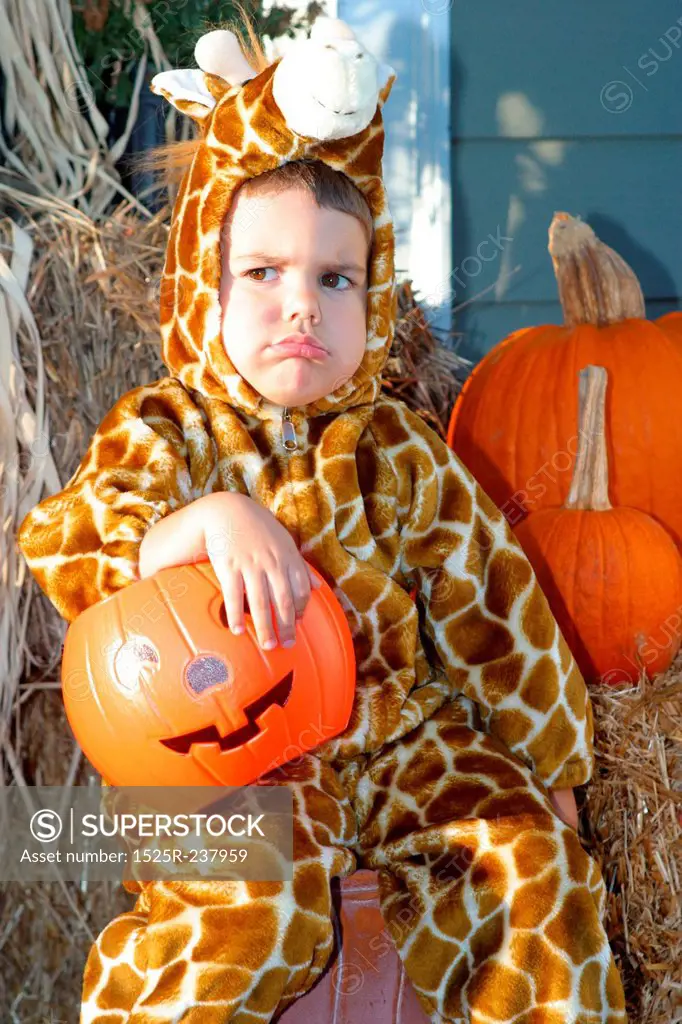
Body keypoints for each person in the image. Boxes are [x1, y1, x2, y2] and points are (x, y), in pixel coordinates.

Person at [17, 16, 626, 1024]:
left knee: (529, 872)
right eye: (262, 274)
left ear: (374, 296)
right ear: (198, 291)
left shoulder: (400, 448)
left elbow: (492, 609)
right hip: (227, 759)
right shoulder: (166, 428)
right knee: (238, 903)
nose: (301, 307)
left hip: (402, 740)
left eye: (333, 280)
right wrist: (203, 522)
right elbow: (70, 535)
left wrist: (547, 774)